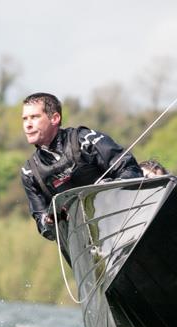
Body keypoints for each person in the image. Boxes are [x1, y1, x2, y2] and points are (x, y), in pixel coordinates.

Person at [20, 92, 143, 241]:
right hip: (85, 242)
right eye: (25, 119)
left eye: (35, 117)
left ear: (55, 118)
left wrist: (108, 188)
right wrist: (49, 221)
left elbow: (132, 170)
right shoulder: (30, 173)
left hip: (125, 220)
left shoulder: (84, 140)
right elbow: (44, 228)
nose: (28, 124)